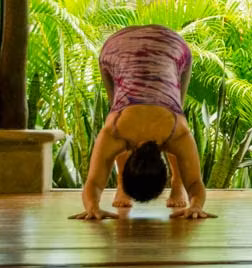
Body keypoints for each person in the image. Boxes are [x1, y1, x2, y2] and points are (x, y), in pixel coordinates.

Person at [70, 25, 214, 220]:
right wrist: (196, 206)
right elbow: (196, 182)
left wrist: (92, 207)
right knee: (168, 110)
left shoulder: (118, 132)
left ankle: (177, 184)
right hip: (128, 46)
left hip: (149, 45)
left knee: (126, 108)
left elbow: (94, 182)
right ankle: (137, 186)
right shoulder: (172, 132)